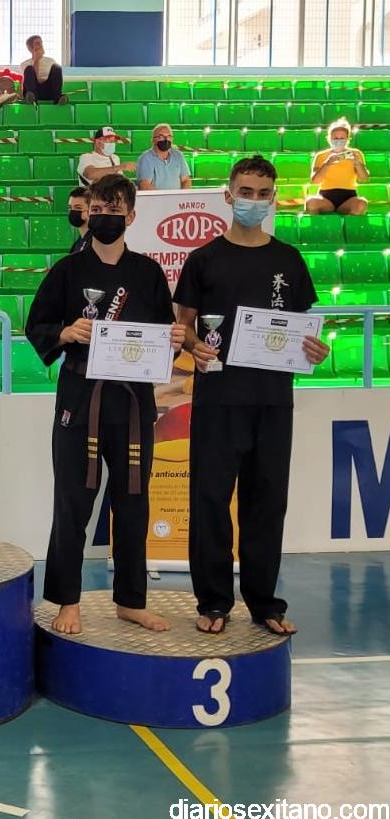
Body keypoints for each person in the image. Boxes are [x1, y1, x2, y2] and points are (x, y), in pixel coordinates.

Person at [174, 155, 331, 636]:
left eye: (263, 194)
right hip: (219, 398)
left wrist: (315, 349)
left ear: (273, 198)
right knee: (210, 500)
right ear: (229, 194)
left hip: (273, 400)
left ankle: (265, 603)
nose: (254, 201)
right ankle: (213, 602)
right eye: (246, 192)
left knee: (267, 503)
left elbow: (303, 329)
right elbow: (183, 325)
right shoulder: (203, 259)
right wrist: (193, 345)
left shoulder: (288, 260)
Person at [25, 175, 186, 635]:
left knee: (133, 501)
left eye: (114, 210)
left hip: (133, 403)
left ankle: (131, 601)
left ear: (130, 216)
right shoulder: (67, 270)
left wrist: (174, 339)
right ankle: (67, 600)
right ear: (88, 213)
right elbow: (37, 325)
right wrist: (64, 332)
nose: (104, 216)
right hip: (82, 397)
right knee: (73, 500)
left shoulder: (148, 274)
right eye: (97, 209)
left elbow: (163, 337)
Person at [305, 117, 370, 215]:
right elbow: (315, 181)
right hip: (325, 197)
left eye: (342, 138)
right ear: (329, 139)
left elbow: (364, 178)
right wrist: (327, 163)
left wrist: (357, 162)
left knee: (361, 203)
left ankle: (349, 224)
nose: (339, 141)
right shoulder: (321, 156)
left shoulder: (356, 153)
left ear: (347, 139)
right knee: (311, 202)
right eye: (335, 138)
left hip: (349, 196)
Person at [137, 123, 192, 191]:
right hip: (156, 198)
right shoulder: (145, 158)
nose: (166, 139)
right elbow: (144, 185)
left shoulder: (178, 156)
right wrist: (164, 197)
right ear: (153, 140)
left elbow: (186, 180)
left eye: (169, 136)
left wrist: (182, 196)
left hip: (177, 197)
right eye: (161, 137)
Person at [20, 36, 67, 104]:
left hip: (48, 91)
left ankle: (58, 98)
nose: (41, 45)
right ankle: (31, 99)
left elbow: (56, 80)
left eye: (41, 43)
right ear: (30, 48)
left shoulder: (51, 61)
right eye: (37, 43)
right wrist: (36, 60)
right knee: (29, 68)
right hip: (34, 92)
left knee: (57, 67)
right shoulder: (24, 64)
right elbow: (32, 81)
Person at [67, 186, 92, 254]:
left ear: (90, 210)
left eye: (78, 208)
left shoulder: (95, 242)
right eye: (70, 207)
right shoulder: (78, 243)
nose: (72, 211)